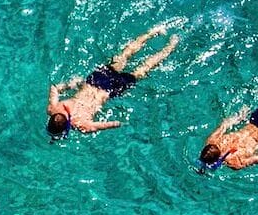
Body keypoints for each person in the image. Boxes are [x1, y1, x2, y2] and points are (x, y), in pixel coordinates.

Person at [46, 23, 180, 138]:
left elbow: (109, 124)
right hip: (95, 80)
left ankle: (171, 45)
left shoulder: (82, 125)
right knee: (124, 55)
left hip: (110, 91)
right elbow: (54, 88)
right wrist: (70, 84)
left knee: (142, 70)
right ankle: (153, 32)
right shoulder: (53, 108)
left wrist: (122, 123)